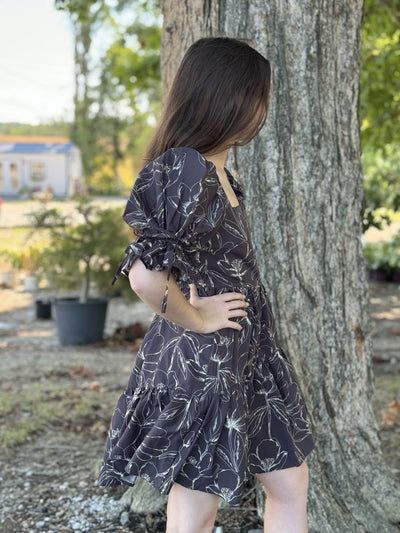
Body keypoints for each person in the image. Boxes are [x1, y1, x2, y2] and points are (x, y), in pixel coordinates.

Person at [98, 37, 315, 533]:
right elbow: (142, 274)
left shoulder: (218, 171)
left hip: (249, 358)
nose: (263, 110)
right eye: (258, 97)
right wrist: (200, 317)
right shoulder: (187, 168)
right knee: (197, 511)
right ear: (227, 97)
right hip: (206, 366)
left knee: (288, 483)